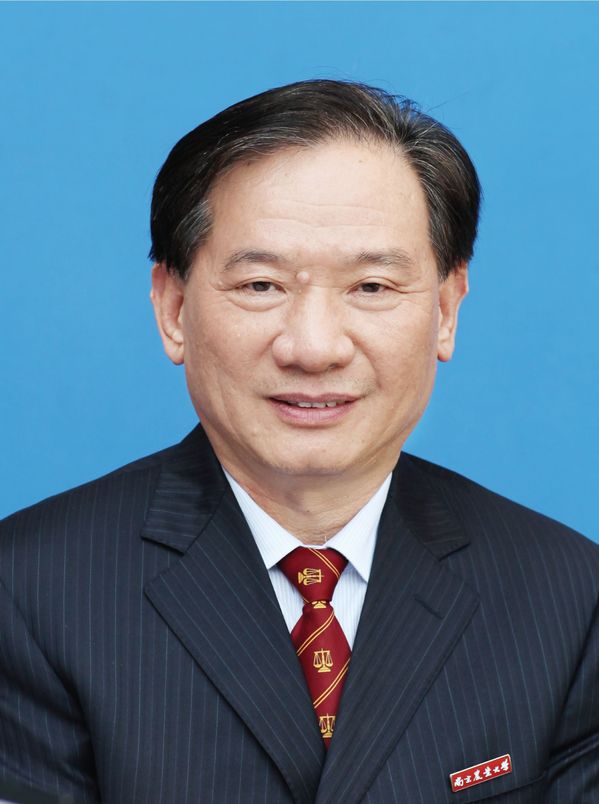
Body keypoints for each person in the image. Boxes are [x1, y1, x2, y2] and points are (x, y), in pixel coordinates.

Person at [1, 79, 597, 804]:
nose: (314, 348)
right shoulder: (27, 593)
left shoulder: (567, 597)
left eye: (371, 287)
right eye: (261, 285)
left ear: (445, 310)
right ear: (173, 308)